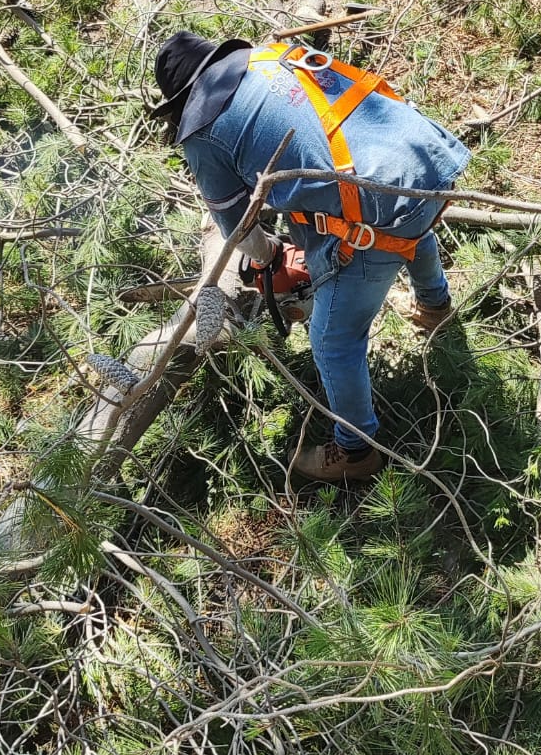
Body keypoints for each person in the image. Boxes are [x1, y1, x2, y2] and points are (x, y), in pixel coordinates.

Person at [151, 30, 469, 483]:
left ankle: (356, 451)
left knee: (332, 340)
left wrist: (270, 253)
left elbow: (239, 230)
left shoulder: (202, 134)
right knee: (408, 219)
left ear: (180, 103)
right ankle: (435, 305)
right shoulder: (269, 59)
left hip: (378, 206)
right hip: (429, 157)